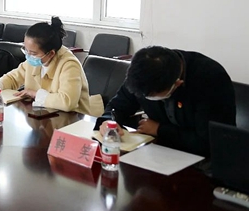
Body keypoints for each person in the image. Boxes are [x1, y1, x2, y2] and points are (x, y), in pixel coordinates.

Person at [96, 46, 235, 156]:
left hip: (201, 160)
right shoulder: (143, 72)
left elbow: (209, 142)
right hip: (157, 152)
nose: (145, 98)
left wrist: (159, 130)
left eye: (151, 96)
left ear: (177, 84)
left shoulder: (211, 80)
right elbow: (117, 106)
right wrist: (108, 121)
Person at [0, 17, 103, 116]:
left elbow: (67, 102)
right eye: (26, 50)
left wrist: (34, 94)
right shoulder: (35, 60)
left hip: (71, 120)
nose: (28, 56)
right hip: (43, 116)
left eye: (33, 53)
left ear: (51, 53)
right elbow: (13, 77)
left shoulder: (69, 64)